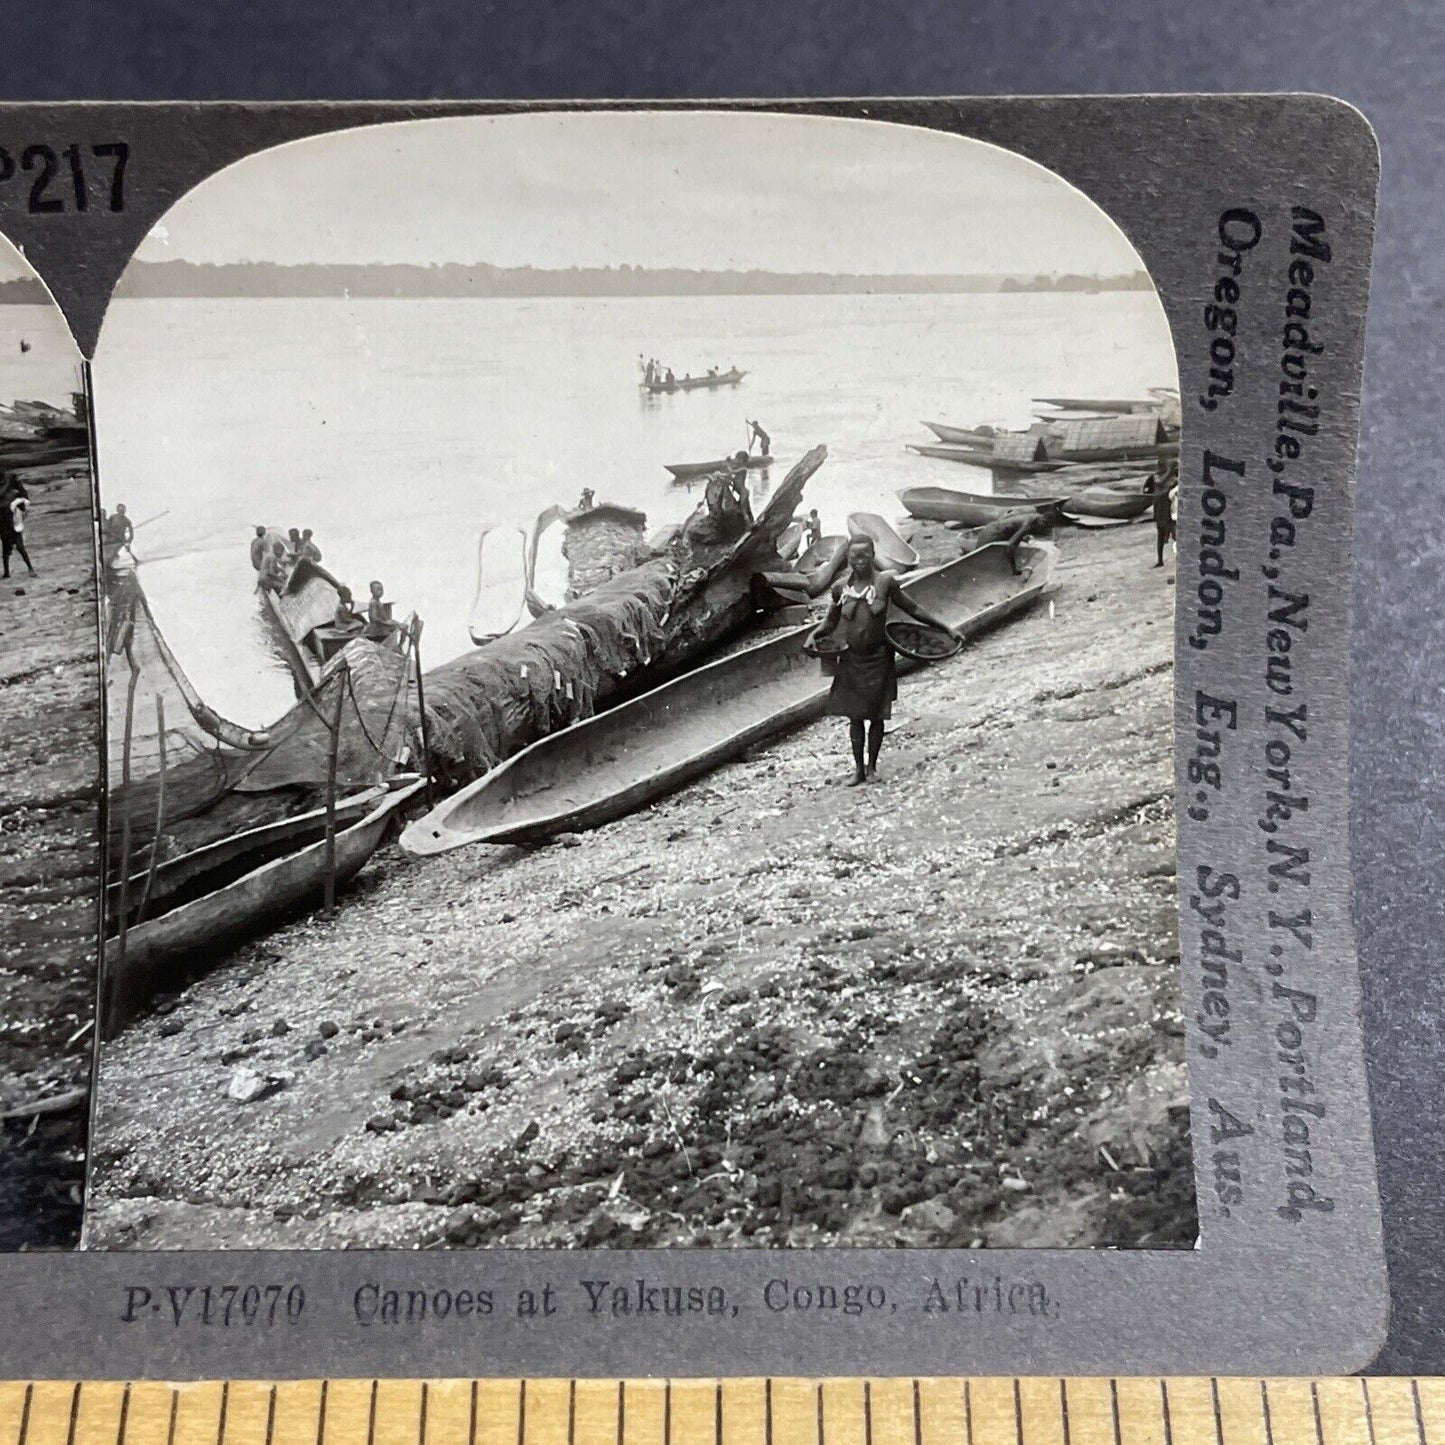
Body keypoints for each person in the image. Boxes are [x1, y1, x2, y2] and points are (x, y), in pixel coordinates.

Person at [810, 535, 964, 786]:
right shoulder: (840, 588)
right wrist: (814, 635)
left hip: (879, 658)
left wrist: (946, 628)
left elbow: (913, 609)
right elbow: (830, 622)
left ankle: (872, 768)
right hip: (851, 659)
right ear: (848, 558)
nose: (859, 561)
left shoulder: (885, 582)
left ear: (873, 555)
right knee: (855, 716)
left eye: (864, 555)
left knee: (877, 715)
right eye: (854, 556)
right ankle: (858, 769)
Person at [1146, 463, 1178, 568]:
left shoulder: (1171, 479)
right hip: (1160, 507)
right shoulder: (1156, 477)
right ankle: (1160, 560)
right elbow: (1159, 483)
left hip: (1167, 507)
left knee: (1173, 533)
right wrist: (1170, 470)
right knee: (1161, 532)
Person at [1, 481, 33, 578]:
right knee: (20, 549)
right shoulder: (15, 498)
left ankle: (7, 572)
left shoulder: (9, 500)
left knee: (6, 552)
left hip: (7, 528)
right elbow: (24, 506)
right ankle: (30, 568)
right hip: (15, 528)